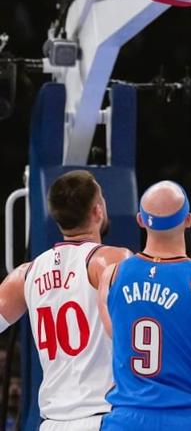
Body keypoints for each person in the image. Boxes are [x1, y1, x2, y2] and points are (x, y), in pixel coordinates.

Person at [97, 180, 191, 431]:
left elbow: (119, 338)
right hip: (185, 420)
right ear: (188, 220)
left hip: (125, 420)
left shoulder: (111, 277)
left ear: (140, 220)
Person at [0, 170, 132, 430]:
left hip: (53, 422)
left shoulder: (26, 274)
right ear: (98, 211)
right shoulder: (113, 260)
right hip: (104, 416)